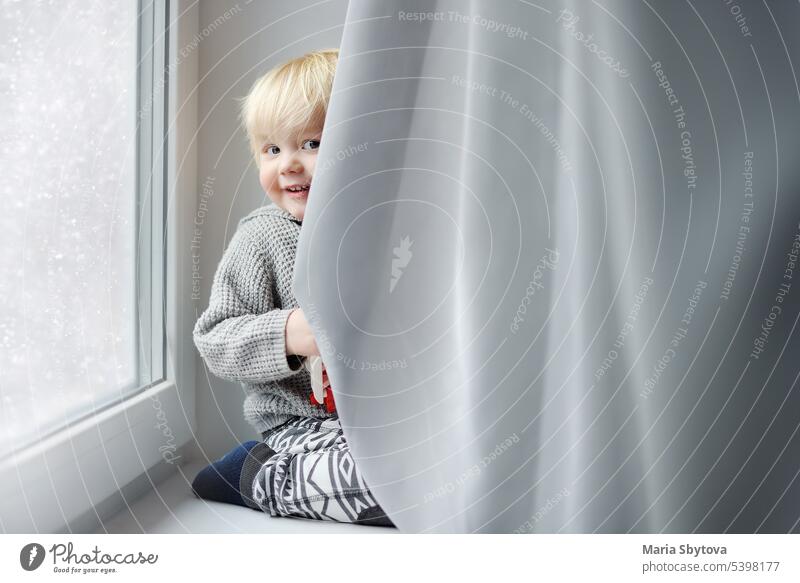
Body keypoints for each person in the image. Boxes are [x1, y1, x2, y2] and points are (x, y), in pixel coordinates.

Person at [191, 49, 393, 527]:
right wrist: (291, 334)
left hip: (390, 418)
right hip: (303, 426)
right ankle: (254, 474)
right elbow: (215, 338)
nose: (289, 165)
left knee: (458, 464)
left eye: (312, 143)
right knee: (396, 485)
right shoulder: (262, 237)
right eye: (272, 149)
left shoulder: (389, 230)